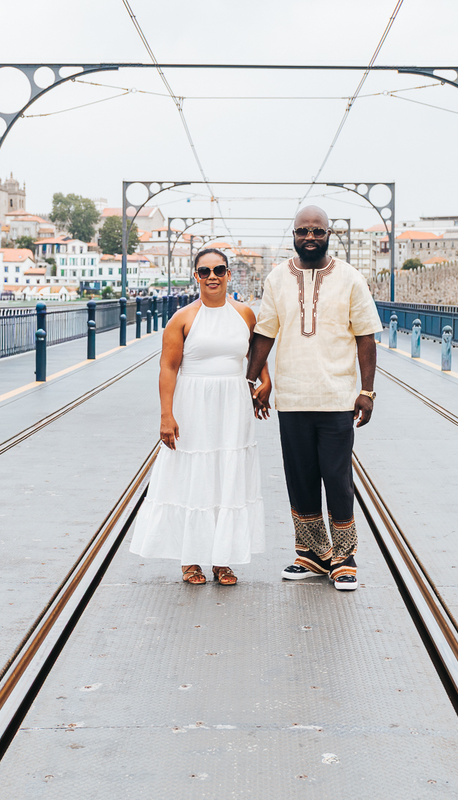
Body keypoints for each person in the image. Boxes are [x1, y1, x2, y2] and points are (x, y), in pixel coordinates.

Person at [246, 206, 381, 591]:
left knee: (337, 479)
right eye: (303, 231)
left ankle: (345, 558)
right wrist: (252, 380)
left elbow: (366, 336)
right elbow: (265, 333)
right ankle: (312, 554)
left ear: (329, 234)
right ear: (293, 234)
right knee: (300, 478)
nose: (310, 237)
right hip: (291, 399)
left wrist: (366, 391)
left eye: (317, 231)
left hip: (337, 398)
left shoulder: (351, 279)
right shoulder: (276, 278)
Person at [129, 248, 270, 585]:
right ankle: (190, 559)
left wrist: (266, 380)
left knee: (228, 475)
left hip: (233, 406)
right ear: (196, 276)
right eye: (205, 271)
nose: (212, 277)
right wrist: (167, 416)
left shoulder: (245, 314)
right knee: (192, 476)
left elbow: (255, 353)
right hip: (193, 405)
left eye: (219, 270)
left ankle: (223, 559)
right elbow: (168, 368)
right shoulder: (182, 318)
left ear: (228, 275)